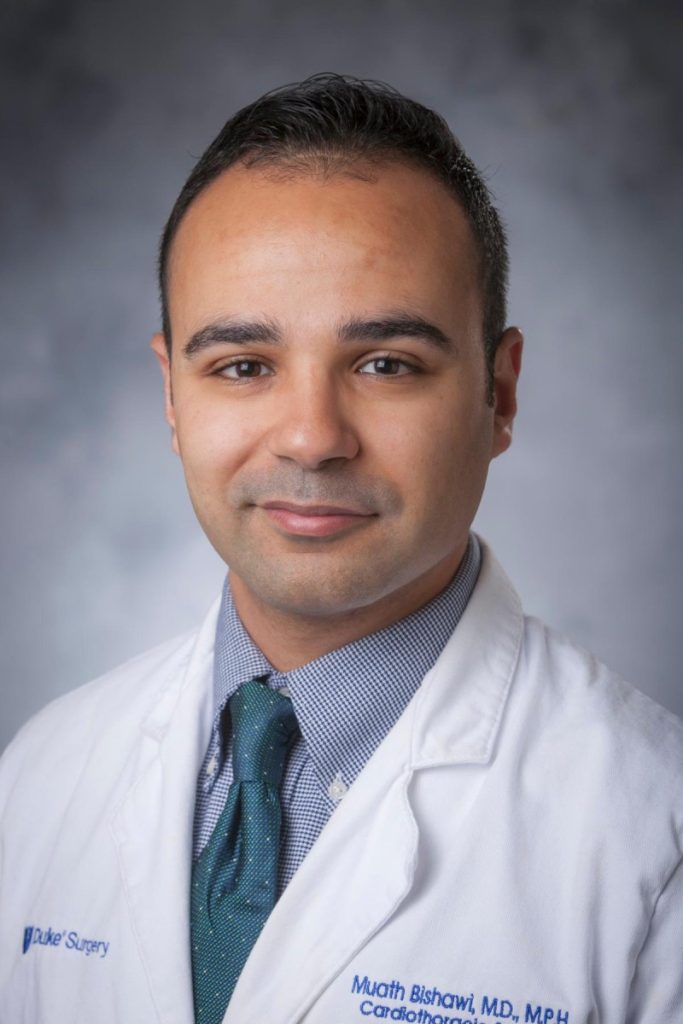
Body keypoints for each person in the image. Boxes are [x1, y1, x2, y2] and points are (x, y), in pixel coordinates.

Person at [0, 73, 681, 1024]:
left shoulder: (655, 840)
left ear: (501, 393)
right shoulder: (41, 774)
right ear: (171, 397)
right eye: (242, 366)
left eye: (385, 364)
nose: (312, 437)